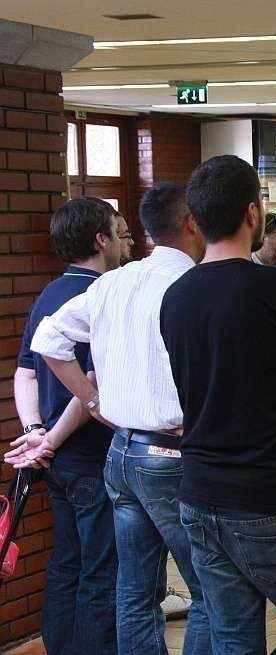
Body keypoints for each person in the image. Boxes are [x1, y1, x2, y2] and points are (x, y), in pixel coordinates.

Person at [161, 154, 276, 653]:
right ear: (253, 215)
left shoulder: (175, 297)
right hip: (269, 493)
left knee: (234, 634)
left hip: (199, 493)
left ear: (194, 222)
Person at [31, 183, 213, 654]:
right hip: (169, 454)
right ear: (193, 222)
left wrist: (97, 403)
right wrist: (94, 402)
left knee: (134, 592)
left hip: (122, 454)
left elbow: (48, 343)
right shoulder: (193, 282)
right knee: (211, 590)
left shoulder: (114, 283)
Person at [7, 198, 122, 655]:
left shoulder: (48, 294)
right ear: (100, 239)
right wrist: (47, 438)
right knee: (100, 571)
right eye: (118, 231)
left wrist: (36, 432)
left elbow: (26, 372)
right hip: (89, 457)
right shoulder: (98, 297)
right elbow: (88, 385)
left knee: (67, 564)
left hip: (56, 464)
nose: (121, 241)